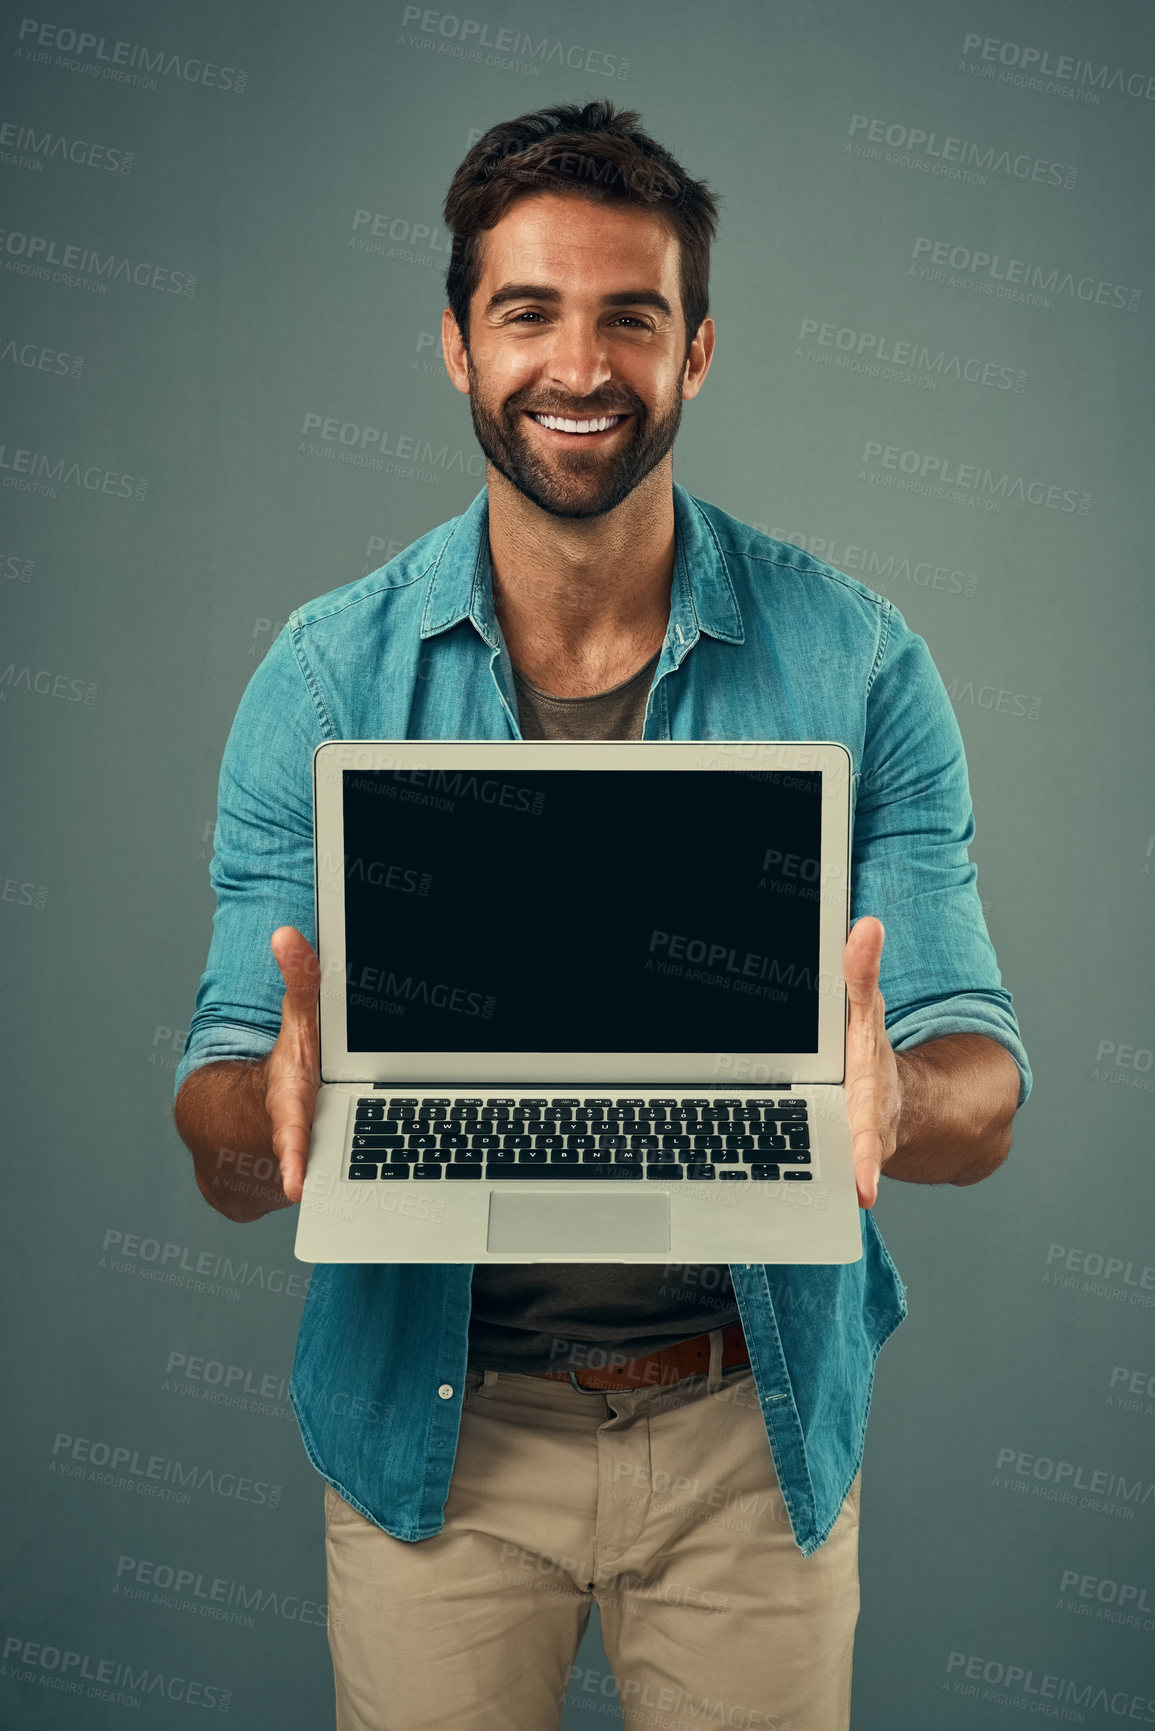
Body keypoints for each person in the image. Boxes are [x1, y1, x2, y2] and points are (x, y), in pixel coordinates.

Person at [173, 100, 1031, 1731]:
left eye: (631, 316)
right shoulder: (322, 678)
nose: (581, 365)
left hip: (743, 1432)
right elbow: (219, 1106)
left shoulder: (856, 663)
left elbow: (982, 1093)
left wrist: (897, 1096)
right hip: (438, 1435)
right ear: (453, 344)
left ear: (696, 349)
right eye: (528, 314)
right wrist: (265, 1114)